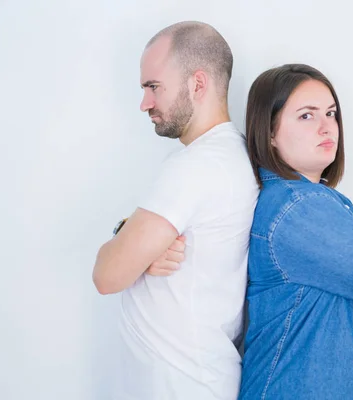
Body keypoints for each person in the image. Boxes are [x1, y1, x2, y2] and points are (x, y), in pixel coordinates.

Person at [237, 64, 353, 400]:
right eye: (307, 116)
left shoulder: (321, 200)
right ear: (269, 132)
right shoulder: (299, 208)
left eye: (331, 113)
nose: (327, 127)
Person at [92, 21, 258, 400]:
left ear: (197, 84)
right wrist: (139, 245)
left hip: (180, 382)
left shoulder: (195, 166)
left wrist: (131, 247)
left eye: (154, 87)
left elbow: (106, 275)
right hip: (196, 378)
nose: (145, 102)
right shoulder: (234, 156)